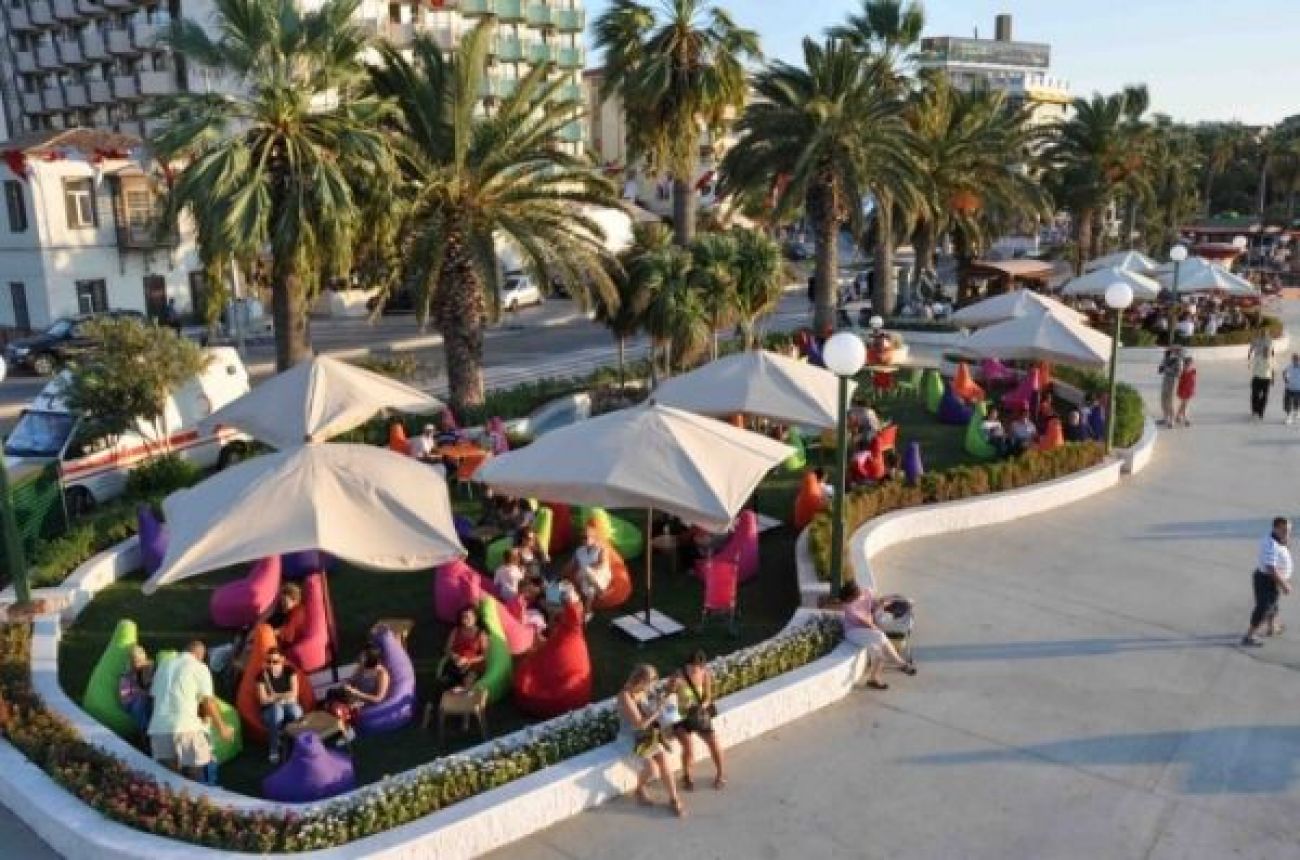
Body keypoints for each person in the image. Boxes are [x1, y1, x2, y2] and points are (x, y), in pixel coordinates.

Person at [147, 640, 234, 781]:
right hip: (186, 728)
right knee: (195, 778)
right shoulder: (199, 667)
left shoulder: (164, 665)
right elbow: (208, 701)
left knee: (170, 781)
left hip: (158, 729)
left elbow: (153, 698)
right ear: (200, 655)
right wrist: (222, 728)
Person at [618, 664, 684, 817]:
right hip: (631, 737)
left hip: (647, 736)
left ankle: (674, 799)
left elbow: (653, 706)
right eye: (650, 682)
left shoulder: (644, 690)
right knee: (652, 769)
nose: (652, 685)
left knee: (663, 760)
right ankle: (639, 789)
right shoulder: (625, 695)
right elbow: (639, 724)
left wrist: (663, 699)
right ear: (641, 680)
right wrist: (658, 711)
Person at [840, 582, 916, 689]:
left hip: (867, 631)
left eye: (859, 590)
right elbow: (867, 622)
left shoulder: (867, 592)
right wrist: (877, 629)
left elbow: (876, 603)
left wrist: (884, 604)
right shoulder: (850, 607)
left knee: (879, 655)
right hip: (854, 631)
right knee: (880, 636)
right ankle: (901, 664)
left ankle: (873, 679)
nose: (860, 592)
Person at [670, 651, 725, 791]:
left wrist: (700, 707)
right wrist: (673, 685)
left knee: (713, 742)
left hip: (698, 714)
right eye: (694, 666)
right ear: (687, 665)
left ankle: (720, 773)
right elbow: (668, 696)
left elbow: (708, 697)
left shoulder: (705, 674)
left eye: (700, 666)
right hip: (681, 717)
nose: (697, 669)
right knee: (688, 747)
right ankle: (687, 776)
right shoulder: (678, 675)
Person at [1243, 517, 1292, 647]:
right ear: (1275, 528)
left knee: (1273, 606)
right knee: (1264, 608)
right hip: (1266, 580)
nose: (1287, 533)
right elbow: (1271, 568)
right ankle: (1249, 636)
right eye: (1284, 530)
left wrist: (1285, 542)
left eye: (1288, 530)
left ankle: (1272, 628)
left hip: (1273, 580)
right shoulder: (1271, 545)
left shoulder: (1278, 539)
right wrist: (1284, 584)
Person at [256, 647, 303, 763]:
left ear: (282, 660)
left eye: (275, 661)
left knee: (296, 712)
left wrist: (275, 696)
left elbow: (294, 693)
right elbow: (263, 700)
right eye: (269, 661)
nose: (272, 665)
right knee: (277, 712)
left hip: (288, 705)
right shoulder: (262, 675)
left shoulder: (290, 671)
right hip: (270, 711)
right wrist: (282, 697)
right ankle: (274, 748)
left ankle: (297, 743)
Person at [566, 523, 612, 615]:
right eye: (582, 537)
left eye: (586, 537)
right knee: (587, 576)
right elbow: (571, 565)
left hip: (600, 575)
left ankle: (588, 609)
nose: (583, 540)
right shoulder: (579, 550)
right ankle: (598, 595)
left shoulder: (601, 549)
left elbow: (602, 564)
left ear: (594, 537)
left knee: (590, 586)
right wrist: (562, 575)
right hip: (584, 576)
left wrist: (589, 568)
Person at [439, 606, 488, 690]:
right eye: (464, 617)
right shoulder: (456, 631)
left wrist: (468, 660)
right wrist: (455, 657)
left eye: (469, 617)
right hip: (456, 661)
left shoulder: (481, 633)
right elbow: (447, 648)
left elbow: (484, 655)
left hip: (473, 664)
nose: (466, 620)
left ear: (475, 618)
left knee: (468, 680)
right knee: (445, 682)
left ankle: (464, 692)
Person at [117, 645, 154, 739]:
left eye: (141, 661)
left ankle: (153, 729)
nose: (138, 664)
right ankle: (145, 731)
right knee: (139, 703)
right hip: (132, 701)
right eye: (136, 661)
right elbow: (125, 696)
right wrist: (139, 692)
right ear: (131, 662)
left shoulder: (150, 669)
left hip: (148, 698)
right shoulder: (127, 676)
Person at [342, 643, 391, 710]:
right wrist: (347, 684)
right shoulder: (362, 667)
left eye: (363, 656)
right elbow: (351, 680)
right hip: (353, 700)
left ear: (371, 658)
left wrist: (357, 693)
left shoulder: (381, 674)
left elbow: (378, 698)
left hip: (366, 704)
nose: (360, 658)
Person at [1248, 329, 1275, 421]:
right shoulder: (1258, 357)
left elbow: (1273, 369)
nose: (1267, 351)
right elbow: (1253, 368)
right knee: (1255, 394)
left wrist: (1273, 379)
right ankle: (1255, 410)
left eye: (1268, 350)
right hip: (1257, 378)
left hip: (1266, 379)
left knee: (1265, 396)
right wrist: (1249, 355)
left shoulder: (1271, 358)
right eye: (1265, 350)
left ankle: (1261, 411)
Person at [1157, 348, 1183, 427]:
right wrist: (1163, 362)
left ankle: (1171, 420)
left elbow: (1178, 374)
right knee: (1163, 399)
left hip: (1172, 382)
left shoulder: (1178, 361)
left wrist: (1167, 369)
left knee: (1170, 401)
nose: (1170, 351)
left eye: (1173, 350)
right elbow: (1160, 370)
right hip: (1165, 381)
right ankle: (1165, 418)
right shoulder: (1167, 359)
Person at [1174, 356, 1197, 427]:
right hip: (1183, 390)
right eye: (1190, 363)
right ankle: (1185, 419)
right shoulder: (1183, 372)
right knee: (1185, 404)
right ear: (1186, 364)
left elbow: (1193, 381)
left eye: (1191, 363)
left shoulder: (1193, 371)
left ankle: (1178, 416)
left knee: (1184, 404)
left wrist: (1193, 389)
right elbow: (1179, 378)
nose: (1191, 364)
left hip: (1189, 390)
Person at [1283, 354, 1300, 425]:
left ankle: (1296, 411)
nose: (1295, 361)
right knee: (1288, 403)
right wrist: (1285, 379)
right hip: (1289, 388)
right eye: (1294, 359)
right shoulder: (1289, 366)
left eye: (1297, 359)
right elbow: (1284, 372)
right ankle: (1288, 417)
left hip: (1298, 389)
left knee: (1297, 402)